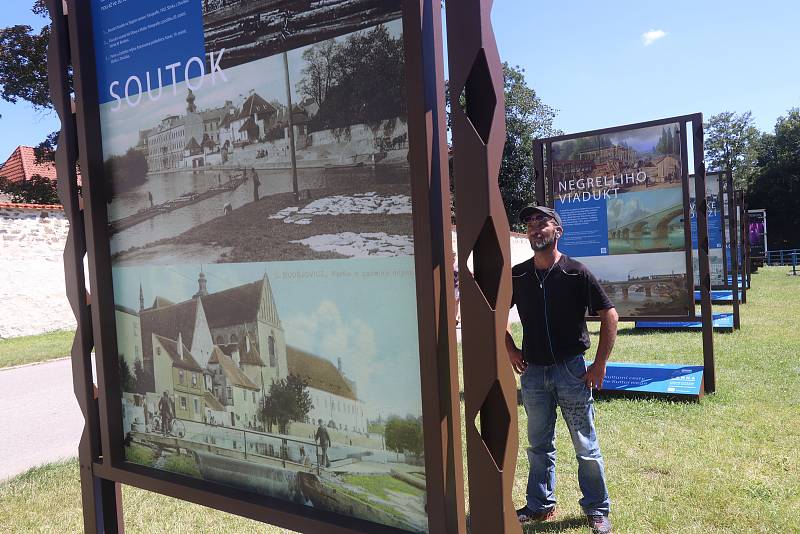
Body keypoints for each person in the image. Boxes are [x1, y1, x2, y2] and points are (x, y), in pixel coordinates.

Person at [508, 205, 618, 534]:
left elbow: (609, 315)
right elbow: (492, 312)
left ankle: (597, 510)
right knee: (538, 445)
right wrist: (510, 348)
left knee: (585, 445)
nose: (534, 228)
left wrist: (598, 365)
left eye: (542, 222)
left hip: (571, 371)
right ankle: (540, 506)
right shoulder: (518, 274)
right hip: (533, 374)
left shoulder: (576, 272)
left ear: (558, 231)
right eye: (529, 224)